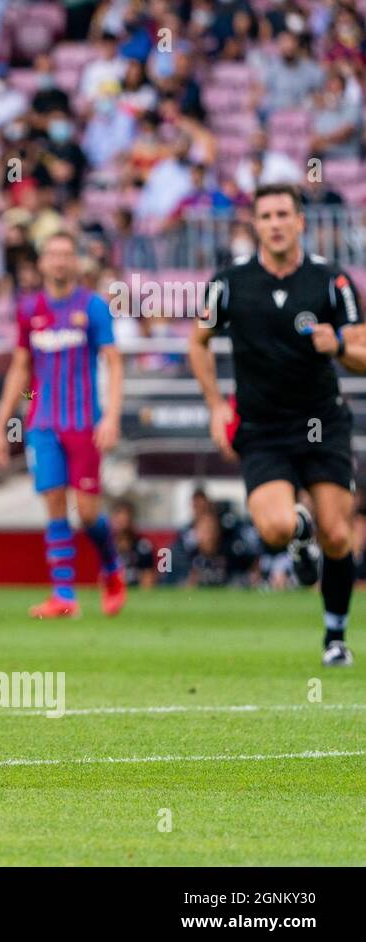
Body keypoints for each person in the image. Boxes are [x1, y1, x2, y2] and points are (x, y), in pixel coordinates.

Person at [188, 183, 366, 667]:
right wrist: (215, 406)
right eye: (265, 215)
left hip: (322, 422)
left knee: (338, 535)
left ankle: (334, 636)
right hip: (263, 427)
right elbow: (197, 340)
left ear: (300, 221)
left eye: (284, 213)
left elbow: (363, 354)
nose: (275, 223)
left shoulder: (333, 282)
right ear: (256, 224)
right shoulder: (228, 284)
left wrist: (341, 349)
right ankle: (298, 533)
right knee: (274, 529)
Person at [0, 231, 127, 619]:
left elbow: (114, 362)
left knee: (86, 512)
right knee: (53, 502)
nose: (61, 261)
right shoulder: (29, 308)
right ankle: (64, 596)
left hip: (84, 423)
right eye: (54, 254)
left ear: (76, 262)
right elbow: (19, 366)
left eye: (67, 254)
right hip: (43, 423)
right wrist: (1, 423)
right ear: (43, 263)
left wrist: (112, 416)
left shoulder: (94, 307)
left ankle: (112, 567)